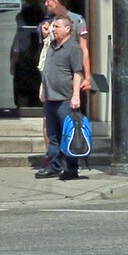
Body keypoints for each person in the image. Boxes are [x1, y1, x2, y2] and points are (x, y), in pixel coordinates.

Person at [37, 14, 87, 181]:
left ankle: (72, 168)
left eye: (57, 27)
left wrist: (75, 96)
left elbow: (78, 72)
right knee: (53, 136)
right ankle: (53, 166)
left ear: (67, 29)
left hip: (65, 99)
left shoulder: (73, 48)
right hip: (50, 98)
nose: (54, 29)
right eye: (53, 27)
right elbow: (45, 69)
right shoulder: (51, 46)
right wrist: (43, 88)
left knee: (68, 135)